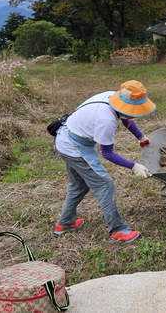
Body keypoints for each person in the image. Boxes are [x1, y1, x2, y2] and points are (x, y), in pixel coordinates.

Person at [52, 80, 155, 243]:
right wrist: (134, 166)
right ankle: (118, 229)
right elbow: (107, 154)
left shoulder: (113, 97)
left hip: (66, 137)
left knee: (79, 184)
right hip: (74, 147)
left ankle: (65, 223)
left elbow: (125, 116)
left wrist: (141, 137)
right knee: (104, 184)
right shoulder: (106, 120)